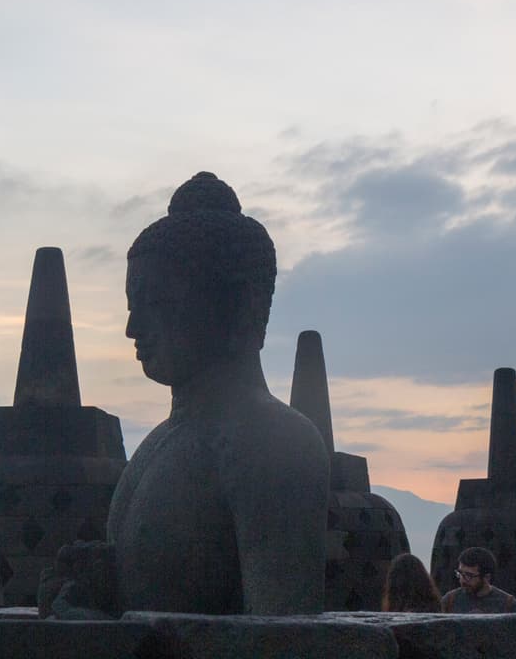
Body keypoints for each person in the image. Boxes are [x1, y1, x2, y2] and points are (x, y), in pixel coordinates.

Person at [41, 172, 330, 617]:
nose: (132, 328)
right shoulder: (159, 443)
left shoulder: (274, 444)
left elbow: (285, 641)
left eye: (156, 303)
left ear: (238, 307)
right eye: (131, 306)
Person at [440, 546, 516, 613]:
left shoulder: (509, 605)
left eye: (469, 575)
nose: (462, 580)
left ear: (487, 577)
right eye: (460, 573)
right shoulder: (449, 601)